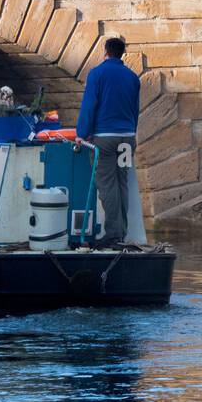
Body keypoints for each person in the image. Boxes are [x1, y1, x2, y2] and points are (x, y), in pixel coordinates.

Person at [75, 36, 140, 248]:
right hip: (126, 138)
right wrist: (131, 134)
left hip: (105, 139)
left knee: (107, 184)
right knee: (122, 183)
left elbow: (89, 106)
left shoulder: (97, 74)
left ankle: (112, 235)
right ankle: (121, 232)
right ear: (122, 53)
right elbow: (134, 110)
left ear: (106, 51)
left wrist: (81, 134)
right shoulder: (132, 78)